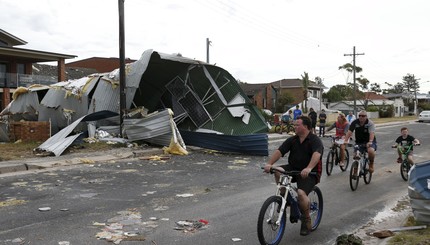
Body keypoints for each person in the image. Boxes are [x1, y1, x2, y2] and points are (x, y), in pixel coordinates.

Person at [264, 116, 323, 236]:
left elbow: (317, 154)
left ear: (306, 127)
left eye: (297, 125)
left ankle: (306, 219)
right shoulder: (293, 140)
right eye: (295, 125)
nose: (295, 127)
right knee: (277, 170)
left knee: (301, 194)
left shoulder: (314, 140)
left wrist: (309, 168)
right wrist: (270, 164)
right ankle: (285, 198)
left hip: (310, 172)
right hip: (294, 168)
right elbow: (280, 151)